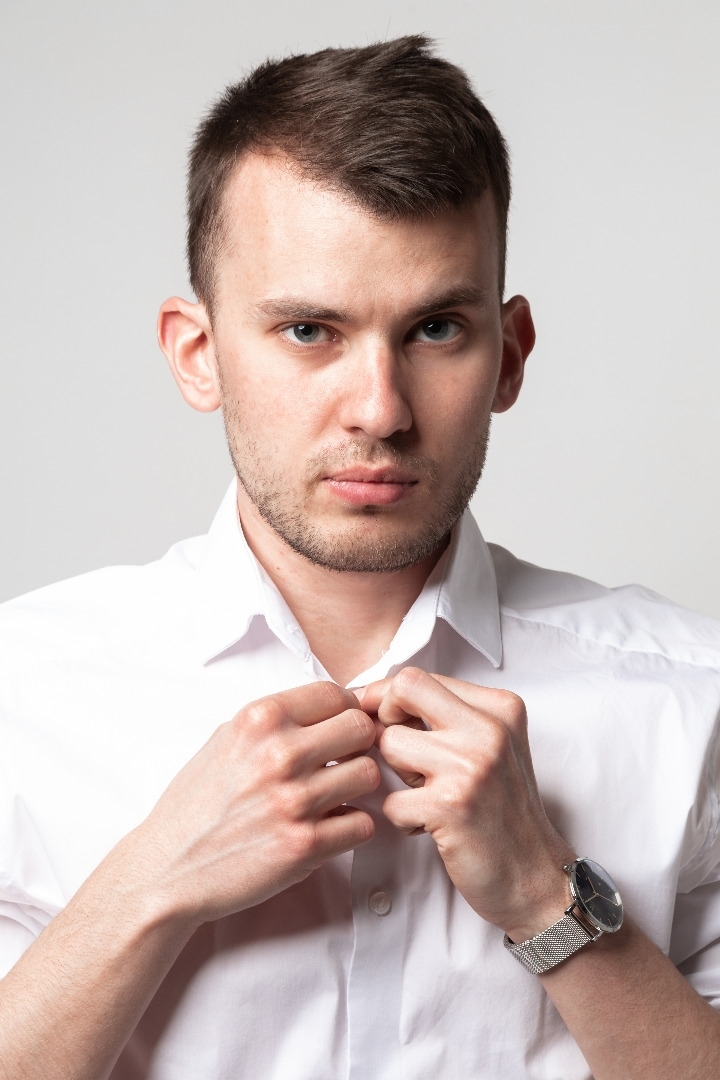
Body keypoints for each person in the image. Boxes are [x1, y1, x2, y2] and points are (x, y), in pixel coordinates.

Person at [0, 34, 719, 1080]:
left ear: (509, 355)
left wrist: (546, 897)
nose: (380, 411)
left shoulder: (692, 701)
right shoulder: (19, 696)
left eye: (435, 330)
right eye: (308, 331)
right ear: (198, 354)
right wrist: (148, 886)